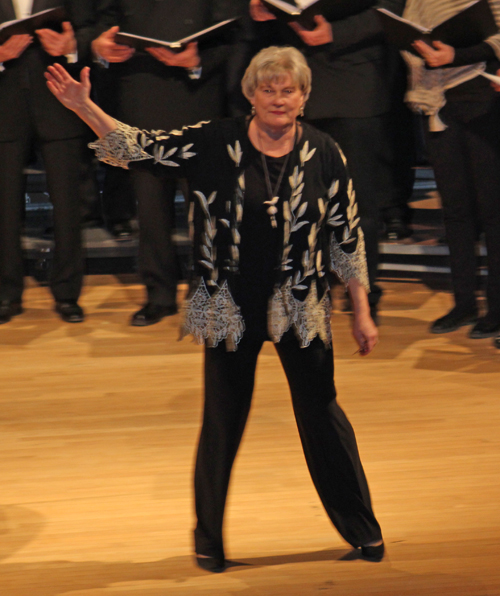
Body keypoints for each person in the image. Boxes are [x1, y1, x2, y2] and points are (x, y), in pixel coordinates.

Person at [46, 46, 384, 571]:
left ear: (304, 96)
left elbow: (347, 235)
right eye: (267, 89)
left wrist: (361, 309)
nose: (277, 99)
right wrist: (84, 107)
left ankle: (362, 528)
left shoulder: (325, 152)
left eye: (287, 90)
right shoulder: (213, 140)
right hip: (227, 304)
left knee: (323, 416)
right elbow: (140, 147)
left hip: (301, 306)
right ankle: (209, 538)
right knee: (223, 423)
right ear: (251, 94)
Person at [250, 0, 406, 323]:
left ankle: (363, 293)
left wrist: (337, 31)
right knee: (299, 200)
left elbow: (390, 9)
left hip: (355, 85)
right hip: (299, 87)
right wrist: (262, 12)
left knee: (357, 201)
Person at [90, 0, 236, 326]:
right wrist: (100, 46)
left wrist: (199, 59)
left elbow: (235, 35)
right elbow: (104, 22)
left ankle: (209, 293)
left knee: (206, 208)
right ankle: (158, 294)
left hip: (198, 98)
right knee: (151, 208)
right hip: (140, 96)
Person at [402, 0, 500, 338]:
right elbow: (409, 38)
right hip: (439, 102)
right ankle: (464, 304)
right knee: (456, 211)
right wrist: (425, 51)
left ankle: (497, 309)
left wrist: (455, 57)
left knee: (492, 211)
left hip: (485, 102)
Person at [0, 0, 96, 325]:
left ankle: (68, 294)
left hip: (60, 104)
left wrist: (72, 47)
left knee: (68, 207)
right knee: (4, 208)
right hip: (5, 107)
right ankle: (6, 294)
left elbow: (90, 27)